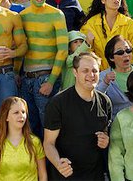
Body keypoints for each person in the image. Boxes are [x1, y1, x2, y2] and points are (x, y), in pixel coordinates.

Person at [44, 52, 112, 180]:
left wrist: (106, 141)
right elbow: (48, 143)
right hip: (66, 175)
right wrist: (58, 163)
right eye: (85, 71)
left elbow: (105, 135)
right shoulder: (58, 103)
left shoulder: (105, 101)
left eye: (95, 71)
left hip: (95, 175)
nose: (91, 75)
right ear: (75, 72)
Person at [19, 0, 68, 139]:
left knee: (50, 128)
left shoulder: (56, 14)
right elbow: (21, 47)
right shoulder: (22, 16)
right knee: (29, 129)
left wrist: (51, 81)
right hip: (26, 79)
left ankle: (52, 164)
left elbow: (62, 50)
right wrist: (16, 73)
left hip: (46, 77)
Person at [80, 0, 133, 70]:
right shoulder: (90, 24)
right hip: (98, 76)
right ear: (103, 0)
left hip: (126, 76)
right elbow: (85, 54)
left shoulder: (130, 24)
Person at [0, 97, 47, 181]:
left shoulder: (35, 142)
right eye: (16, 113)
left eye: (23, 112)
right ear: (6, 117)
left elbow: (43, 175)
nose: (21, 115)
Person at [96, 35, 133, 117]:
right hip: (117, 125)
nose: (126, 55)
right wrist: (105, 83)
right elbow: (95, 100)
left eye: (128, 50)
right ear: (111, 57)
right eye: (120, 52)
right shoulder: (102, 77)